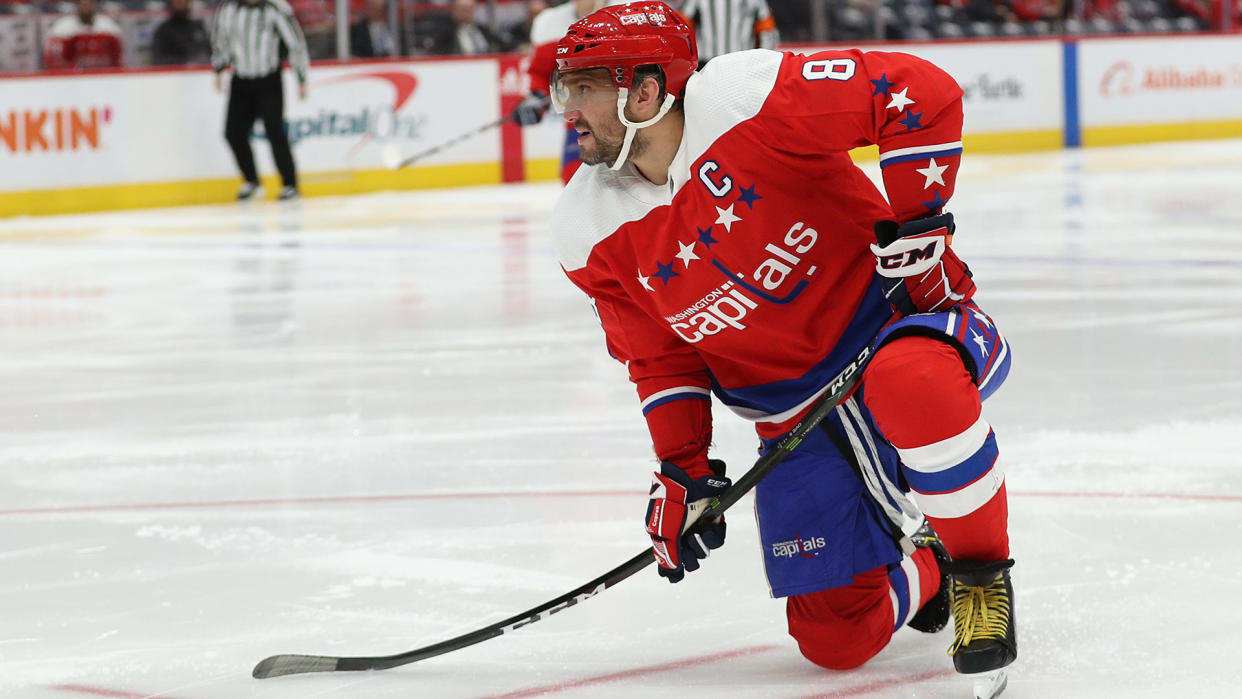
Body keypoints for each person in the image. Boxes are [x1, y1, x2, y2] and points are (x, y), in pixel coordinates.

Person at [545, 1, 1017, 687]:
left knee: (909, 379)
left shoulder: (744, 99)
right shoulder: (585, 226)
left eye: (583, 88)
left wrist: (919, 223)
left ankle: (981, 576)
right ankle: (932, 563)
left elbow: (919, 91)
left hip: (896, 328)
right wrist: (684, 466)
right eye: (565, 88)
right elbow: (660, 355)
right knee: (835, 637)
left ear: (644, 91)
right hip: (794, 414)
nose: (568, 109)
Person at [512, 0, 621, 184]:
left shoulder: (628, 10)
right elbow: (541, 72)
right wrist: (535, 98)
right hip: (580, 122)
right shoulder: (549, 22)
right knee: (575, 182)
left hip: (626, 120)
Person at [210, 0, 310, 201]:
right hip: (241, 79)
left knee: (274, 131)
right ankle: (252, 181)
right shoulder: (228, 9)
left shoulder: (275, 7)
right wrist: (220, 68)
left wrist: (300, 76)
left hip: (268, 79)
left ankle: (290, 184)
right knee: (233, 133)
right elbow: (221, 39)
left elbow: (295, 42)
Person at [678, 0, 779, 67]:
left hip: (712, 63)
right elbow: (768, 32)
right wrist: (760, 62)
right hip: (739, 62)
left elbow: (681, 28)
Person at [42, 0, 123, 70]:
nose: (86, 7)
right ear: (76, 5)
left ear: (95, 4)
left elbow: (117, 59)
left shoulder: (109, 27)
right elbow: (53, 61)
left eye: (90, 3)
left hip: (103, 77)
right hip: (71, 79)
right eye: (82, 3)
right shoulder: (61, 29)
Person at [151, 0, 212, 66]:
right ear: (170, 3)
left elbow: (210, 54)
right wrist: (185, 63)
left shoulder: (198, 28)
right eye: (177, 1)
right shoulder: (162, 32)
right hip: (175, 74)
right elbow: (159, 60)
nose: (180, 2)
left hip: (202, 73)